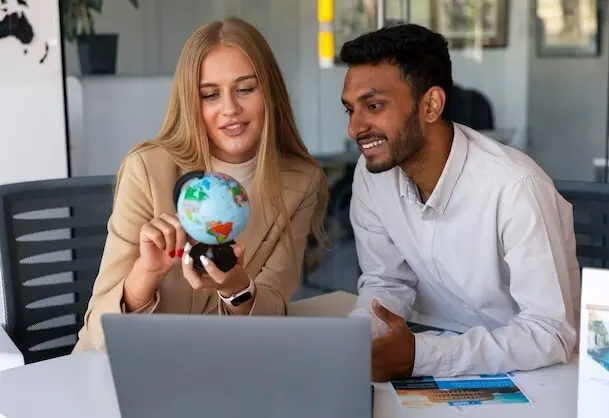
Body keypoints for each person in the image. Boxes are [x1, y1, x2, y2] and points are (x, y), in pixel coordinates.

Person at [339, 24, 580, 381]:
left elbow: (550, 332)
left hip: (536, 373)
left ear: (431, 105)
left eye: (373, 106)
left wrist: (423, 355)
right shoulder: (373, 173)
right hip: (438, 354)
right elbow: (386, 282)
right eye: (350, 110)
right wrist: (358, 339)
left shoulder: (515, 187)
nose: (355, 128)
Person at [73, 18, 329, 352]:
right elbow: (99, 332)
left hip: (224, 365)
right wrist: (146, 273)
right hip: (125, 365)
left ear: (270, 93)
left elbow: (274, 313)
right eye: (210, 95)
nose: (230, 109)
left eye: (245, 89)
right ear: (191, 102)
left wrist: (237, 287)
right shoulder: (147, 169)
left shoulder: (300, 181)